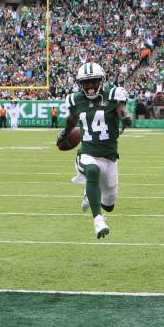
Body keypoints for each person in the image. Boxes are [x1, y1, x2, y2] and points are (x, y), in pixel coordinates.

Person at [56, 62, 132, 238]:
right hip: (87, 153)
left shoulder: (113, 95)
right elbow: (71, 121)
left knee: (109, 205)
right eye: (86, 82)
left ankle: (89, 194)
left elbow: (122, 110)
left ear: (102, 80)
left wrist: (126, 118)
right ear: (80, 84)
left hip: (110, 158)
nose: (90, 85)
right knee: (92, 170)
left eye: (94, 81)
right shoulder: (75, 100)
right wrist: (64, 134)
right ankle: (98, 220)